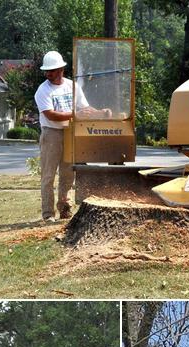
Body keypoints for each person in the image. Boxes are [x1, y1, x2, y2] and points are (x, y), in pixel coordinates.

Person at [33, 51, 110, 223]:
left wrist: (101, 113)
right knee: (48, 175)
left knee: (68, 174)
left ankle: (65, 210)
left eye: (51, 70)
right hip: (51, 134)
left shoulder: (72, 86)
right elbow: (51, 115)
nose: (48, 74)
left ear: (61, 69)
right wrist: (75, 114)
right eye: (46, 71)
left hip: (70, 133)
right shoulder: (43, 90)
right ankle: (48, 214)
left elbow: (85, 109)